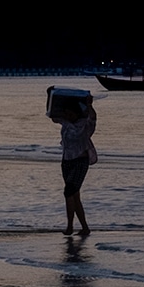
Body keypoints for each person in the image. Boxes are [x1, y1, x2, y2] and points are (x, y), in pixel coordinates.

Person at [55, 93, 98, 235]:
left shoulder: (85, 125)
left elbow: (93, 117)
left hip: (80, 161)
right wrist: (51, 96)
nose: (68, 116)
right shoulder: (65, 123)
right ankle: (84, 228)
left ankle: (70, 227)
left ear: (76, 113)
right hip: (66, 161)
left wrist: (89, 104)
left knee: (69, 191)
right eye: (66, 113)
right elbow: (52, 114)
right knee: (73, 194)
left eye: (70, 113)